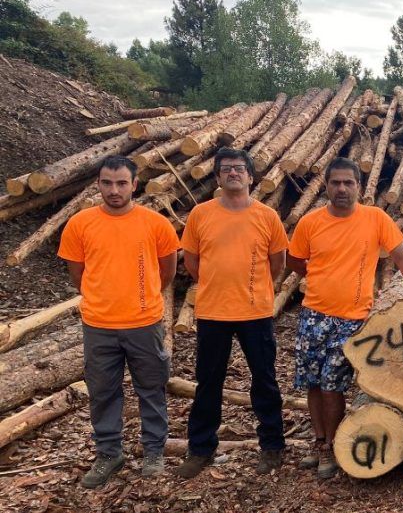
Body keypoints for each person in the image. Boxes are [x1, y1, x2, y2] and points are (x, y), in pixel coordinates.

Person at [287, 157, 403, 479]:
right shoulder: (310, 223)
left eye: (348, 183)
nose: (341, 189)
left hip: (352, 319)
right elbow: (296, 260)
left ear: (359, 187)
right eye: (335, 183)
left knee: (332, 386)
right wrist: (321, 277)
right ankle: (320, 442)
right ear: (326, 186)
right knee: (312, 384)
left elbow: (402, 256)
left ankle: (334, 444)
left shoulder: (375, 219)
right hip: (314, 315)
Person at [57, 155, 180, 488]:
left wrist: (144, 296)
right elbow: (77, 274)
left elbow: (167, 270)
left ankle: (154, 450)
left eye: (121, 183)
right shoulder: (80, 224)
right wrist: (102, 298)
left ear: (134, 184)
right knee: (103, 391)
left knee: (151, 388)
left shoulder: (155, 224)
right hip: (99, 324)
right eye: (107, 183)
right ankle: (109, 452)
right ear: (98, 184)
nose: (114, 190)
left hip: (144, 322)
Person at [176, 147, 289, 479]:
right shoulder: (200, 215)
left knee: (265, 381)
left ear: (251, 177)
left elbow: (277, 263)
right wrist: (216, 283)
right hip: (213, 312)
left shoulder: (267, 216)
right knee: (208, 383)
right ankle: (200, 449)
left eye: (239, 168)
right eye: (226, 169)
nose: (233, 173)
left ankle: (272, 446)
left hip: (255, 312)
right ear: (218, 177)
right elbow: (192, 261)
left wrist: (253, 288)